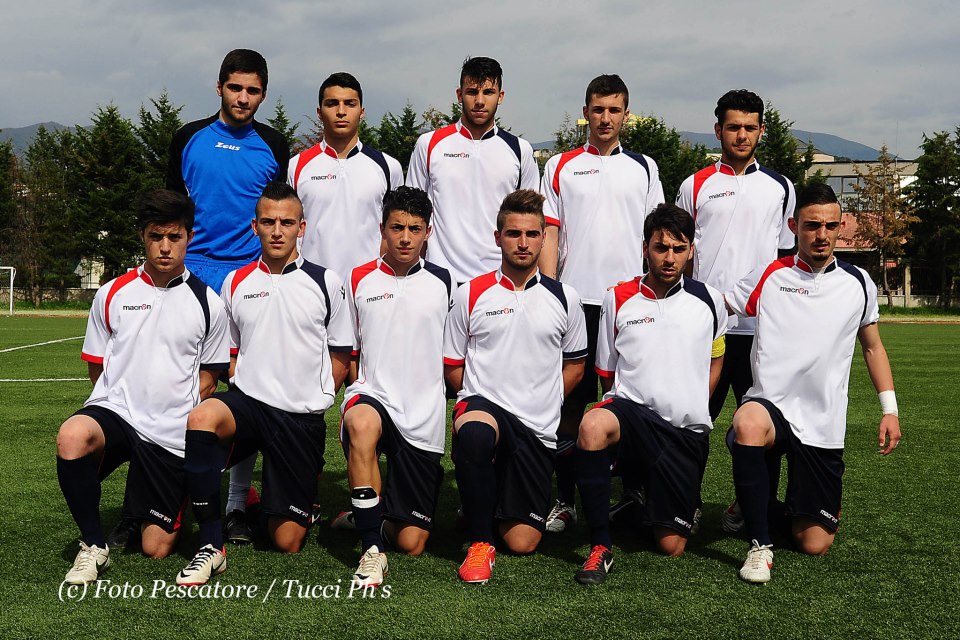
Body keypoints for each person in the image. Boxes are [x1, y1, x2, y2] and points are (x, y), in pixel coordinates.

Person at [176, 183, 352, 586]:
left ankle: (273, 504)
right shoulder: (235, 282)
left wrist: (318, 398)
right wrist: (241, 381)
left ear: (301, 227)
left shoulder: (326, 281)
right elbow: (230, 350)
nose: (277, 231)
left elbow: (341, 353)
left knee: (287, 541)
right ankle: (212, 544)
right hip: (250, 406)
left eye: (286, 222)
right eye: (268, 222)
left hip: (299, 417)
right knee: (203, 417)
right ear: (254, 226)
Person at [724, 183, 901, 584]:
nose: (821, 235)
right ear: (794, 226)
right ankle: (759, 544)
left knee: (814, 542)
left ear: (841, 227)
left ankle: (756, 505)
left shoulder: (859, 284)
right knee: (748, 421)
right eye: (811, 226)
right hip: (770, 409)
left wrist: (889, 410)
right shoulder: (770, 273)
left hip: (822, 422)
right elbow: (716, 306)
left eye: (830, 226)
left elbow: (873, 348)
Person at [56, 190, 230, 584]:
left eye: (174, 237)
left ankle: (154, 502)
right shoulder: (113, 292)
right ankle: (93, 547)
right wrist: (116, 402)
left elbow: (209, 378)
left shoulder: (208, 303)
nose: (165, 247)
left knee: (157, 548)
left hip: (169, 431)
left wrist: (172, 411)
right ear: (142, 237)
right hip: (116, 413)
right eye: (156, 236)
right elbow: (97, 369)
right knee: (72, 435)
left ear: (189, 237)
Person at [165, 49, 290, 548]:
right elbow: (173, 209)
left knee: (246, 390)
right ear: (219, 87)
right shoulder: (187, 138)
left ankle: (238, 502)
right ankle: (175, 493)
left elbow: (280, 212)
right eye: (235, 88)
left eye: (253, 90)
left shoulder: (274, 144)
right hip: (192, 277)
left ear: (263, 93)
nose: (244, 98)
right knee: (184, 387)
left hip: (247, 281)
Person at [571, 203, 725, 585]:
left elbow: (716, 361)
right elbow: (608, 373)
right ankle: (600, 547)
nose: (669, 257)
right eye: (661, 248)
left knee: (671, 545)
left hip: (684, 433)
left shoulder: (711, 301)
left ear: (691, 250)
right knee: (592, 424)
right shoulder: (618, 298)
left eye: (678, 248)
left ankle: (638, 503)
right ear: (645, 248)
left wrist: (693, 401)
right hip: (633, 418)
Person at [539, 74, 665, 533]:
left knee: (632, 401)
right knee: (570, 403)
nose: (606, 118)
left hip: (632, 305)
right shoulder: (560, 165)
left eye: (614, 110)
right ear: (585, 112)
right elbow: (550, 233)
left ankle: (634, 494)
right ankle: (563, 499)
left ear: (626, 115)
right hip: (576, 301)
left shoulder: (645, 168)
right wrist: (551, 293)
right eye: (598, 109)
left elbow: (657, 238)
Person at [443, 189, 587, 584]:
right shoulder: (470, 293)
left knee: (523, 542)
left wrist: (545, 398)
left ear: (544, 237)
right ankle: (479, 543)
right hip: (484, 410)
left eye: (531, 234)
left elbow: (575, 365)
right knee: (474, 433)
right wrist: (475, 398)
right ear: (497, 238)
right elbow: (453, 365)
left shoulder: (565, 298)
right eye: (513, 234)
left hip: (536, 429)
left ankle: (486, 502)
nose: (522, 243)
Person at [337, 186, 452, 588]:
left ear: (428, 232)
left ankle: (369, 513)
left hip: (423, 413)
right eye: (397, 227)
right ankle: (371, 549)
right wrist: (353, 402)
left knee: (413, 541)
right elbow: (349, 349)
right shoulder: (357, 278)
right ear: (382, 229)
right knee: (363, 424)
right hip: (374, 395)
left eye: (414, 229)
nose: (405, 238)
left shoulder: (446, 283)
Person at [675, 89, 795, 422]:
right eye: (733, 127)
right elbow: (679, 256)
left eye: (750, 127)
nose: (742, 135)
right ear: (718, 131)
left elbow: (785, 259)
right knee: (690, 422)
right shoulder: (694, 185)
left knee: (761, 425)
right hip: (707, 326)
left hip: (761, 329)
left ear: (761, 131)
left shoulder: (781, 187)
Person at [406, 56, 539, 285]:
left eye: (488, 92)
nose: (479, 101)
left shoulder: (520, 150)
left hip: (500, 281)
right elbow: (412, 216)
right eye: (472, 92)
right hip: (440, 278)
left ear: (501, 96)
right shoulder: (429, 145)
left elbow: (531, 221)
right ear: (459, 94)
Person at [288, 72, 403, 281]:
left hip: (369, 287)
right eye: (332, 104)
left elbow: (396, 229)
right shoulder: (296, 166)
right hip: (310, 285)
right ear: (319, 112)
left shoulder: (388, 167)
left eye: (350, 104)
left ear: (362, 112)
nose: (341, 112)